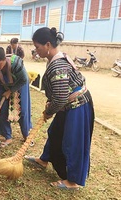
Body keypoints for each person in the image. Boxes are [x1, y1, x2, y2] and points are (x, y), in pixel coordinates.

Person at [25, 27, 95, 190]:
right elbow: (59, 95)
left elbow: (61, 97)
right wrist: (52, 105)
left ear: (48, 44)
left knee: (73, 142)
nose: (36, 51)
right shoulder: (55, 58)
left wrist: (49, 110)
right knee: (55, 132)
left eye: (37, 47)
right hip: (66, 106)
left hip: (77, 106)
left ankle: (73, 181)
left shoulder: (58, 65)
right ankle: (44, 159)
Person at [0, 46, 32, 147]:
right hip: (3, 84)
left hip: (20, 84)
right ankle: (8, 137)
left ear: (4, 59)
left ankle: (26, 136)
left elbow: (24, 80)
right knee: (2, 110)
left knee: (23, 111)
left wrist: (11, 91)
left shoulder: (16, 64)